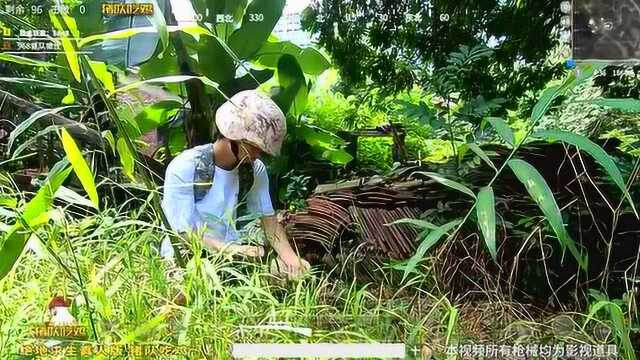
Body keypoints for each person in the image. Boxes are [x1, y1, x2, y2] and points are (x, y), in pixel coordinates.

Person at [160, 90, 309, 278]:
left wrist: (292, 260)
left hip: (229, 257)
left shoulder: (255, 169)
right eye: (254, 147)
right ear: (233, 136)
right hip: (186, 257)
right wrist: (234, 250)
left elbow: (269, 221)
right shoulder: (185, 167)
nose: (258, 155)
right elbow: (183, 233)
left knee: (287, 273)